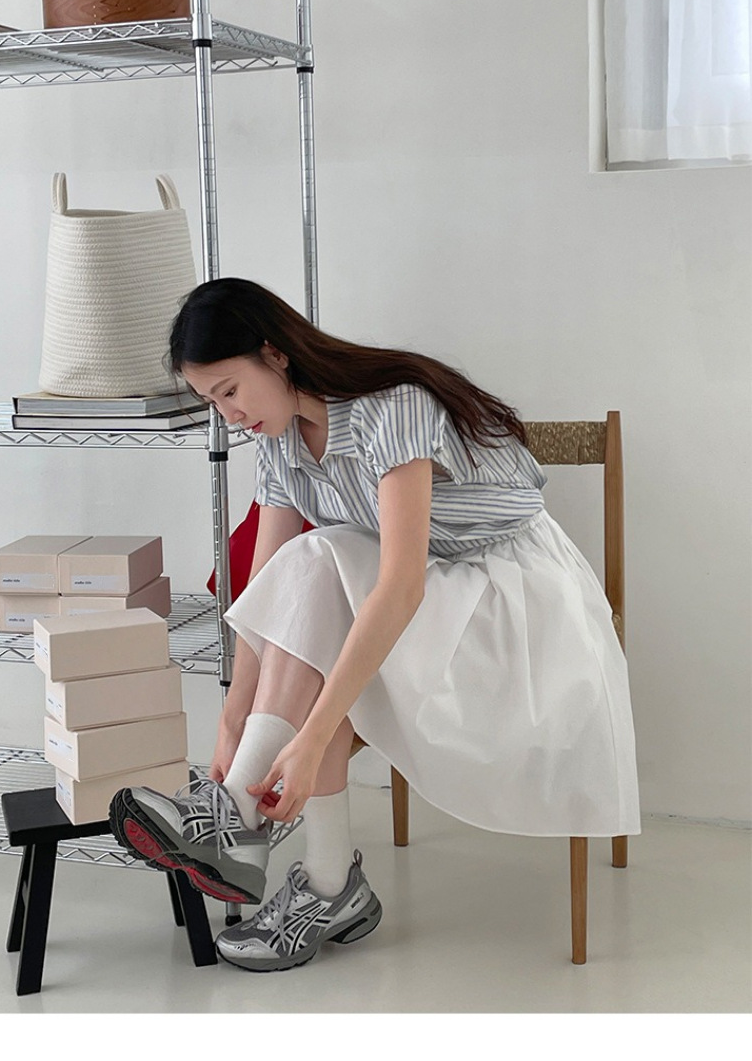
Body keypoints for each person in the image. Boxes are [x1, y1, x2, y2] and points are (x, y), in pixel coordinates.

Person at [109, 277, 641, 973]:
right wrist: (232, 720)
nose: (230, 415)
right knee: (312, 575)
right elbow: (269, 589)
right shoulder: (279, 444)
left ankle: (252, 824)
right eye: (213, 402)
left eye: (231, 390)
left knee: (323, 565)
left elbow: (400, 584)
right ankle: (317, 875)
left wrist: (311, 737)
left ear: (275, 353)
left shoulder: (395, 407)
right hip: (427, 591)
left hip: (512, 591)